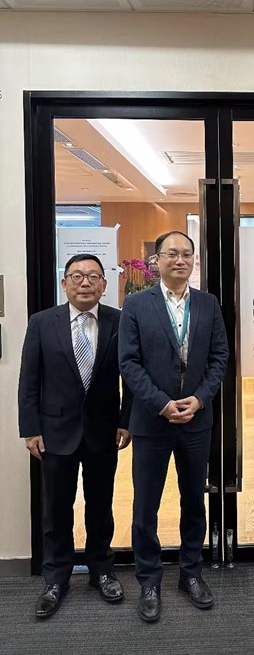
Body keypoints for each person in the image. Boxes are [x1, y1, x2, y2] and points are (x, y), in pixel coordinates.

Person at [119, 230, 228, 623]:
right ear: (157, 260)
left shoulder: (208, 303)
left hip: (196, 420)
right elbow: (128, 362)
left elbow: (219, 357)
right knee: (145, 506)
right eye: (172, 254)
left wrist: (199, 398)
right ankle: (149, 580)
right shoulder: (136, 304)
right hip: (152, 421)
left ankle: (190, 573)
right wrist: (162, 404)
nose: (180, 260)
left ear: (193, 261)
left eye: (187, 254)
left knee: (193, 501)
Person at [18, 254, 131, 619]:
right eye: (77, 276)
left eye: (93, 276)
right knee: (56, 509)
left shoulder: (119, 321)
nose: (85, 283)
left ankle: (102, 571)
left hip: (103, 431)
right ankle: (56, 578)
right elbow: (29, 380)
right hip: (54, 433)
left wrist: (126, 421)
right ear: (64, 283)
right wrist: (30, 429)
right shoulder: (41, 322)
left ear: (104, 284)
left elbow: (130, 376)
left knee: (101, 505)